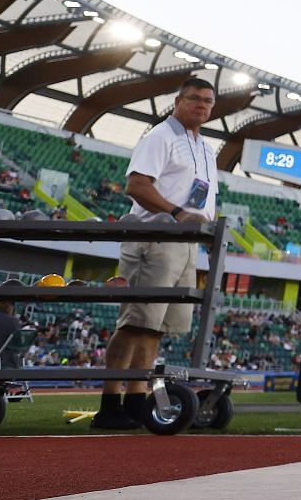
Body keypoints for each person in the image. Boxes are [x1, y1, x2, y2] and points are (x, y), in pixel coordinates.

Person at [91, 76, 218, 430]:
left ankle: (134, 400)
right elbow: (137, 184)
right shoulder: (160, 136)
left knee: (156, 327)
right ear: (178, 101)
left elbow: (202, 198)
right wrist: (177, 215)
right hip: (155, 236)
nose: (202, 106)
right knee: (134, 321)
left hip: (185, 242)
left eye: (208, 101)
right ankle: (109, 404)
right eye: (195, 99)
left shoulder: (206, 148)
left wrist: (206, 229)